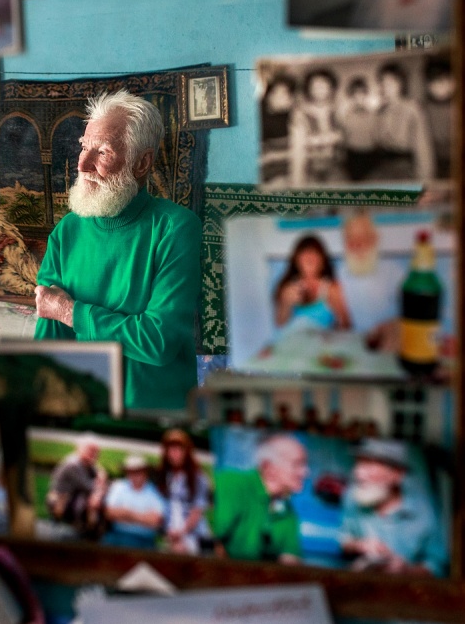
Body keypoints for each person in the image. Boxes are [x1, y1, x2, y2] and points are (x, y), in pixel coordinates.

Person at [33, 90, 202, 410]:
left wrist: (71, 312)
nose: (83, 164)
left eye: (102, 152)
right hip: (84, 411)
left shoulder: (176, 228)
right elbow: (50, 340)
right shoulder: (67, 231)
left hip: (155, 417)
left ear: (142, 163)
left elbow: (157, 342)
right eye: (84, 147)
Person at [339, 438, 447, 575]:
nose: (358, 473)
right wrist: (360, 545)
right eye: (358, 463)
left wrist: (407, 571)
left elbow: (438, 567)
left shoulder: (425, 515)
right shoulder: (352, 496)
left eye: (369, 465)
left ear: (397, 474)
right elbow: (344, 538)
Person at [211, 433, 309, 563]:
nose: (306, 472)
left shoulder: (288, 512)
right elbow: (210, 539)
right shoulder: (231, 484)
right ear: (268, 467)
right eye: (297, 464)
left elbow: (291, 560)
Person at [367, 62, 435, 182]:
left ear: (401, 83)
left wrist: (425, 180)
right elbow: (375, 142)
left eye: (391, 82)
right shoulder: (380, 111)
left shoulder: (413, 109)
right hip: (383, 167)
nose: (385, 86)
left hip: (406, 168)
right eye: (382, 82)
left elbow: (423, 149)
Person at [274, 234, 353, 331]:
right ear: (296, 260)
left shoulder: (332, 288)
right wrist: (286, 304)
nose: (309, 257)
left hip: (325, 339)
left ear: (323, 261)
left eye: (314, 253)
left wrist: (337, 324)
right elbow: (280, 325)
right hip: (295, 339)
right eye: (305, 253)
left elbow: (346, 325)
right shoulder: (288, 288)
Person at [153, 428, 211, 554]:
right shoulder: (163, 476)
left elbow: (197, 510)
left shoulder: (198, 477)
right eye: (171, 450)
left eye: (179, 449)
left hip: (192, 534)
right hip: (168, 533)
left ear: (186, 452)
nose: (175, 454)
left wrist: (181, 532)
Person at [288, 69, 345, 187]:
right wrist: (297, 182)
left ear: (331, 88)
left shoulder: (337, 111)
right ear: (309, 89)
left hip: (335, 167)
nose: (319, 89)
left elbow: (344, 138)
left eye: (323, 85)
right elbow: (298, 150)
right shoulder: (301, 113)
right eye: (315, 86)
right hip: (310, 169)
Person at [44, 435, 108, 538]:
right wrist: (101, 483)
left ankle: (91, 531)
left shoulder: (88, 464)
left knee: (98, 499)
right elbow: (89, 486)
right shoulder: (73, 465)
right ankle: (86, 531)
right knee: (94, 500)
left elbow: (99, 481)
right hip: (61, 501)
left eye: (96, 451)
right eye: (90, 450)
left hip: (75, 498)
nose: (94, 453)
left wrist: (99, 488)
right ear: (78, 448)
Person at [102, 455, 166, 549]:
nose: (134, 475)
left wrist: (126, 513)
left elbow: (156, 521)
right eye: (131, 471)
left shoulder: (154, 492)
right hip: (118, 535)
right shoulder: (118, 486)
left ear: (145, 472)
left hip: (144, 540)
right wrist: (143, 517)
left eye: (138, 471)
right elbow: (109, 513)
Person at [336, 76, 378, 181]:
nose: (358, 98)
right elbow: (342, 138)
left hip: (371, 154)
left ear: (366, 95)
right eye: (355, 95)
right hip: (352, 155)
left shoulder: (374, 115)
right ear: (351, 96)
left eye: (362, 94)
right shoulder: (345, 115)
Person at [422, 54, 454, 181]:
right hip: (433, 164)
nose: (441, 86)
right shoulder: (423, 110)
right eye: (436, 81)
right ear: (428, 85)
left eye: (446, 80)